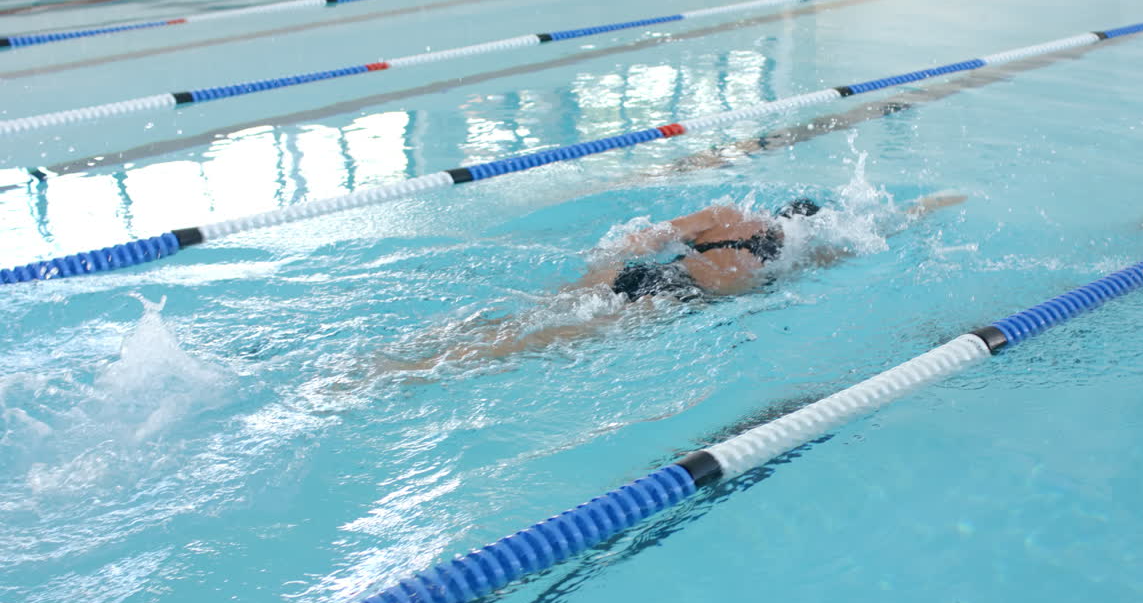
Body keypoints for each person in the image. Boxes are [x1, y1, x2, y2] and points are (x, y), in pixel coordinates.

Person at [377, 191, 965, 374]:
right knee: (541, 338)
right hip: (675, 298)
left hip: (644, 275)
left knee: (533, 311)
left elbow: (642, 239)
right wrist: (930, 208)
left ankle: (395, 356)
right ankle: (422, 369)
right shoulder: (803, 259)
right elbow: (882, 229)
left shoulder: (727, 213)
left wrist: (603, 258)